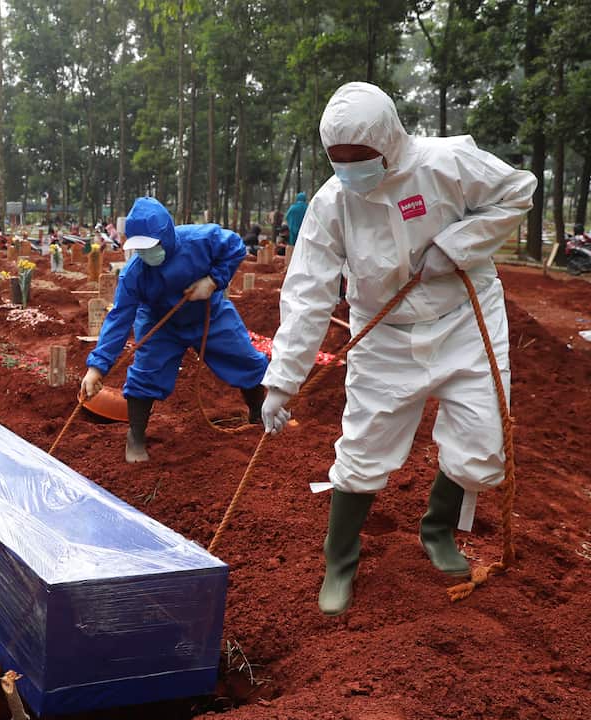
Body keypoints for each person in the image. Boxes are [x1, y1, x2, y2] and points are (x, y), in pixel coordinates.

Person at [261, 82, 536, 616]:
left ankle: (437, 530)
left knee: (483, 447)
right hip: (383, 333)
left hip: (464, 318)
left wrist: (457, 246)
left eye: (359, 159)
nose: (348, 170)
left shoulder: (446, 163)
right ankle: (339, 559)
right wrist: (281, 381)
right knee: (364, 448)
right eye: (336, 161)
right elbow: (308, 292)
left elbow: (517, 192)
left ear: (389, 143)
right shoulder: (331, 204)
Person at [80, 197, 269, 462]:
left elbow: (235, 246)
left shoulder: (199, 240)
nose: (146, 253)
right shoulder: (134, 274)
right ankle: (135, 435)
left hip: (208, 313)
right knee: (146, 372)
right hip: (161, 324)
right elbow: (119, 318)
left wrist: (214, 280)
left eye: (151, 246)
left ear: (166, 235)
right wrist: (97, 367)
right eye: (140, 248)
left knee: (243, 358)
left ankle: (259, 412)